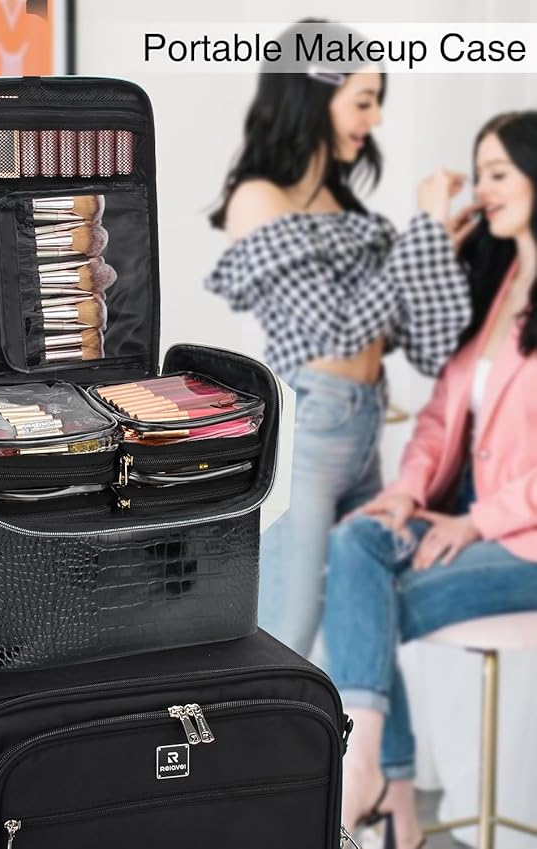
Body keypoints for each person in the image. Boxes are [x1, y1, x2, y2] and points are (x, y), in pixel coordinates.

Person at [205, 20, 474, 658]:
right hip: (312, 429)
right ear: (313, 95)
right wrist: (423, 235)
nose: (374, 119)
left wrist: (440, 254)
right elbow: (336, 328)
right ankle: (262, 727)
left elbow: (421, 343)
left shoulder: (345, 208)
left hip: (364, 425)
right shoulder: (258, 199)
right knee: (288, 628)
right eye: (363, 101)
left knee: (369, 622)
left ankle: (375, 735)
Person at [324, 110, 537, 849]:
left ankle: (381, 787)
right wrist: (406, 493)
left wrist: (477, 521)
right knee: (354, 542)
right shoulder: (498, 283)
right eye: (478, 175)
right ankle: (386, 794)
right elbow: (442, 417)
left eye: (498, 173)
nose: (483, 189)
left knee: (361, 602)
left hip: (521, 537)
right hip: (462, 517)